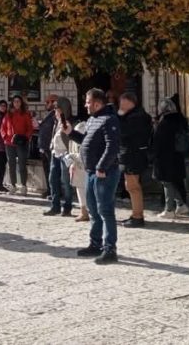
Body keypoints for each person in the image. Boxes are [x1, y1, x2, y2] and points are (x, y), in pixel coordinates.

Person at [64, 88, 121, 264]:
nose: (86, 105)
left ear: (97, 103)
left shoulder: (109, 119)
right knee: (93, 209)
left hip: (104, 172)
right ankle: (95, 244)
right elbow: (86, 141)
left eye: (88, 102)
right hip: (90, 171)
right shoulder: (92, 120)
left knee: (105, 210)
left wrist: (102, 166)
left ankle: (110, 249)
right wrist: (70, 133)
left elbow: (112, 146)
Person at [117, 91, 152, 228]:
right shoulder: (136, 115)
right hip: (132, 154)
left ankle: (138, 216)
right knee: (130, 185)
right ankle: (135, 214)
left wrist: (119, 117)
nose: (121, 106)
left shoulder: (136, 117)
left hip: (133, 154)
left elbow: (123, 132)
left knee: (133, 186)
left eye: (123, 102)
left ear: (130, 103)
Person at [152, 95, 189, 218]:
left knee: (167, 182)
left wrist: (153, 154)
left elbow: (158, 141)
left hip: (165, 157)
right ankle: (180, 204)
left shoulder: (165, 122)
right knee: (172, 181)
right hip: (177, 156)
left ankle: (169, 209)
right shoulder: (180, 120)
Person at [44, 97, 75, 216]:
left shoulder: (68, 122)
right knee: (53, 180)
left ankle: (67, 207)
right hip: (55, 154)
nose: (55, 110)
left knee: (65, 182)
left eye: (57, 108)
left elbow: (69, 136)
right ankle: (55, 206)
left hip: (65, 155)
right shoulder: (56, 121)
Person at [2, 94, 35, 196]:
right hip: (9, 143)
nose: (16, 103)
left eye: (18, 101)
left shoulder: (25, 114)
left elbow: (30, 128)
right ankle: (13, 185)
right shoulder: (8, 114)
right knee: (11, 165)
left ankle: (24, 186)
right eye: (15, 101)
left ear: (21, 103)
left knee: (22, 165)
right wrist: (5, 137)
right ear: (12, 103)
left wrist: (25, 138)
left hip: (21, 143)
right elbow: (2, 127)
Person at [37, 95, 59, 197]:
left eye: (48, 102)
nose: (46, 104)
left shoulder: (56, 114)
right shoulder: (49, 114)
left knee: (52, 171)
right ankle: (50, 189)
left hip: (50, 146)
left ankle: (55, 191)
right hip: (43, 146)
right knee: (47, 170)